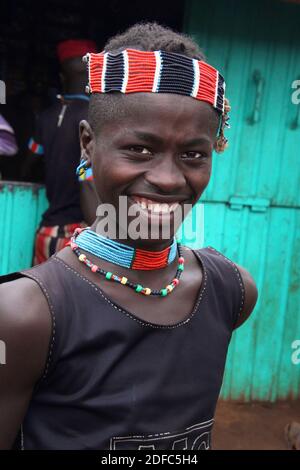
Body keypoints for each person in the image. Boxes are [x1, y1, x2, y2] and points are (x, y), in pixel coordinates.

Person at [0, 22, 258, 450]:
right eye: (140, 149)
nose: (168, 178)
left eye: (193, 154)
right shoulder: (24, 317)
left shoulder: (230, 290)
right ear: (88, 144)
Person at [22, 39, 97, 265]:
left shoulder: (45, 117)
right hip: (79, 234)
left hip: (46, 233)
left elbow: (27, 166)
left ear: (63, 77)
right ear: (94, 75)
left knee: (41, 298)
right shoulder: (95, 119)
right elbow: (87, 179)